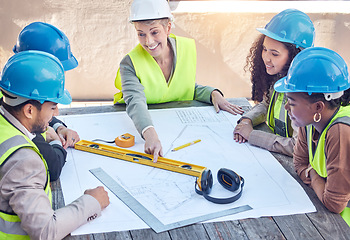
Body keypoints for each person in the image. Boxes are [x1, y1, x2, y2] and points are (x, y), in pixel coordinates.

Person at [114, 0, 244, 162]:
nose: (148, 41)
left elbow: (182, 86)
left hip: (176, 124)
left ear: (168, 28)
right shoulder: (130, 63)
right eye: (141, 34)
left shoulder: (185, 48)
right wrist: (150, 135)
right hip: (140, 123)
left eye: (154, 32)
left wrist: (213, 94)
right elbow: (135, 102)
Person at [0, 51, 110, 239]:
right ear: (29, 110)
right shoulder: (23, 160)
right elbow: (46, 231)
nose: (56, 112)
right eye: (52, 107)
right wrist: (92, 202)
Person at [273, 47, 350, 226]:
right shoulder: (309, 122)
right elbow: (299, 163)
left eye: (291, 103)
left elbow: (334, 203)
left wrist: (313, 174)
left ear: (318, 107)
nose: (286, 108)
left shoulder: (340, 132)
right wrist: (318, 180)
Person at [233, 9, 315, 156]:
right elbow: (267, 104)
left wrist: (252, 136)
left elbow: (297, 146)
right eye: (264, 49)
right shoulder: (280, 75)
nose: (266, 58)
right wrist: (247, 120)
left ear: (294, 56)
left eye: (275, 54)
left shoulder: (307, 92)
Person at [11, 22, 81, 181]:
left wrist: (58, 126)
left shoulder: (14, 89)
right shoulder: (22, 124)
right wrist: (55, 140)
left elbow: (36, 109)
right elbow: (53, 168)